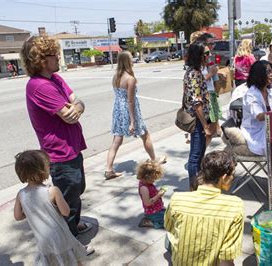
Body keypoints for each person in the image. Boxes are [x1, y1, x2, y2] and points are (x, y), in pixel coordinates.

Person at [20, 36, 91, 237]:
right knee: (67, 200)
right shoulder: (39, 85)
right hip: (60, 153)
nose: (59, 57)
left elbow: (78, 102)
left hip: (73, 147)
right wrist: (74, 107)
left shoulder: (56, 79)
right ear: (42, 59)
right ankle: (70, 242)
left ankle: (73, 226)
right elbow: (68, 117)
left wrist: (76, 105)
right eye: (54, 55)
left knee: (77, 191)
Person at [13, 150, 94, 265]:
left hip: (43, 240)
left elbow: (18, 216)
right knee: (73, 260)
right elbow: (66, 212)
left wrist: (32, 210)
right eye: (48, 166)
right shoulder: (52, 191)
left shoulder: (21, 194)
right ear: (42, 170)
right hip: (60, 236)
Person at [164, 151, 244, 265]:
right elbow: (226, 259)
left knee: (168, 240)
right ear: (224, 177)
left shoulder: (177, 199)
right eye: (233, 175)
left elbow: (169, 227)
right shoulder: (235, 206)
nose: (233, 178)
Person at [105, 51, 166, 179]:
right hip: (128, 110)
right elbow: (130, 101)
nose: (133, 60)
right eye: (131, 59)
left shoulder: (116, 77)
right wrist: (132, 121)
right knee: (145, 135)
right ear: (127, 61)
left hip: (118, 109)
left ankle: (108, 169)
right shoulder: (130, 79)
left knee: (117, 139)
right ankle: (155, 160)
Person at [183, 41, 212, 190]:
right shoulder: (194, 74)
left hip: (198, 119)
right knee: (195, 157)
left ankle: (197, 186)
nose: (208, 56)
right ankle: (194, 189)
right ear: (198, 56)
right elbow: (197, 103)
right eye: (205, 54)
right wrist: (205, 125)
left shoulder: (193, 72)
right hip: (197, 121)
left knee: (199, 154)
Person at [136, 160, 166, 229]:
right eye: (153, 179)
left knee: (171, 215)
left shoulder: (148, 183)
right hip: (152, 213)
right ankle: (149, 222)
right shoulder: (144, 188)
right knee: (168, 223)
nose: (154, 181)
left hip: (157, 208)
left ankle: (158, 214)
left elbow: (152, 194)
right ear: (147, 177)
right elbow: (147, 203)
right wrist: (158, 195)